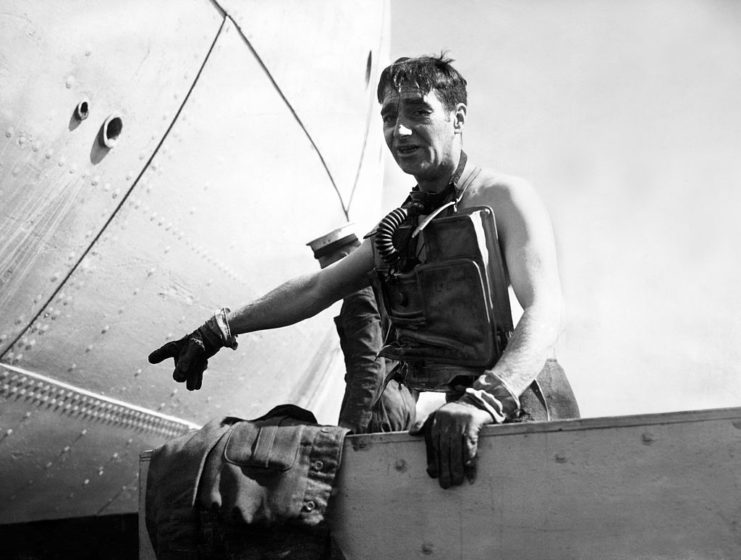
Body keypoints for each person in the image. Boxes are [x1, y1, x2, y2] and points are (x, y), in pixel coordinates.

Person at [149, 54, 579, 490]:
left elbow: (546, 309)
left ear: (457, 118)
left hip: (526, 402)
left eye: (418, 111)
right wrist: (218, 328)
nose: (400, 130)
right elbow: (319, 287)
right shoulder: (406, 224)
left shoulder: (504, 196)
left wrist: (485, 400)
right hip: (460, 415)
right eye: (390, 116)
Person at [307, 224, 417, 434]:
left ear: (345, 256)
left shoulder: (359, 296)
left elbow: (370, 365)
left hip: (376, 410)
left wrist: (350, 428)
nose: (330, 279)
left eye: (329, 269)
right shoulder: (390, 290)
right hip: (403, 404)